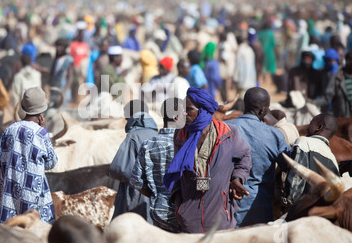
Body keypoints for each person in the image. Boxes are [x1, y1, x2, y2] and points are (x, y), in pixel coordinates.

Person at [164, 87, 252, 233]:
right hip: (188, 217)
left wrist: (237, 178)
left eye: (188, 109)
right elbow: (178, 171)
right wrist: (179, 204)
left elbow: (245, 155)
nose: (183, 113)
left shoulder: (228, 133)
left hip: (220, 218)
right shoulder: (180, 134)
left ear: (202, 110)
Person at [227, 87, 291, 227]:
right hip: (258, 210)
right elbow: (289, 165)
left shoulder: (224, 128)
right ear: (263, 111)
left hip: (226, 209)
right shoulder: (274, 135)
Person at [0, 86, 57, 224]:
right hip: (35, 197)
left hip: (10, 195)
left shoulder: (9, 130)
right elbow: (51, 163)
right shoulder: (41, 133)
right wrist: (45, 130)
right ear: (42, 112)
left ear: (23, 107)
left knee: (10, 231)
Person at [129, 98, 184, 232]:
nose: (187, 117)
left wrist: (156, 194)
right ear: (177, 117)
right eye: (185, 114)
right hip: (184, 212)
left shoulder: (148, 145)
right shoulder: (186, 145)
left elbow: (136, 181)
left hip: (158, 212)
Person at [107, 100, 159, 223]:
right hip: (156, 195)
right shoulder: (158, 135)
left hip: (136, 195)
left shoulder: (133, 137)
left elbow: (120, 169)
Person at [282, 114, 340, 210]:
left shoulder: (303, 142)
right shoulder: (332, 157)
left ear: (319, 127)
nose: (308, 127)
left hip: (301, 209)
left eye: (310, 123)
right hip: (320, 210)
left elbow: (296, 179)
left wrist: (288, 205)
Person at [316, 51, 352, 117]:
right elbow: (327, 97)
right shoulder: (336, 78)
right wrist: (313, 103)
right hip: (344, 119)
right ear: (348, 62)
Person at [49, 38, 74, 107]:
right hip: (54, 93)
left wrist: (62, 93)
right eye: (57, 46)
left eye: (61, 46)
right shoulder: (56, 59)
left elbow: (70, 78)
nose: (58, 48)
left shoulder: (68, 59)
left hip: (63, 93)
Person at [233, 34, 256, 100]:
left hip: (242, 80)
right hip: (251, 80)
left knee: (241, 99)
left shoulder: (240, 50)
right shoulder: (249, 49)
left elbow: (238, 66)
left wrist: (235, 78)